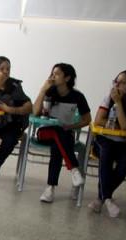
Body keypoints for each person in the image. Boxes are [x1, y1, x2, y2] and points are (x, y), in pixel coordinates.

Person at [87, 70, 126, 218]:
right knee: (106, 153)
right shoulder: (109, 97)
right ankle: (107, 199)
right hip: (106, 139)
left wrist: (119, 102)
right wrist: (112, 124)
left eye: (123, 82)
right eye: (116, 81)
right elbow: (98, 120)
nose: (117, 85)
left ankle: (101, 198)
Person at [31, 63, 91, 203]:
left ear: (67, 78)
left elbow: (87, 119)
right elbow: (35, 112)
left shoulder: (77, 96)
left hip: (64, 134)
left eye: (57, 74)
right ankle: (74, 169)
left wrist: (71, 126)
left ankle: (50, 189)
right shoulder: (49, 92)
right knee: (58, 134)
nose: (53, 76)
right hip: (44, 133)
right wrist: (42, 91)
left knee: (57, 146)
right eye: (52, 73)